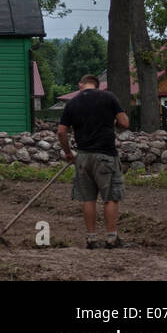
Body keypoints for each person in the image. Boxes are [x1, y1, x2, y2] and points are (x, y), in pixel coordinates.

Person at [57, 74, 130, 249]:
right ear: (97, 86)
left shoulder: (72, 103)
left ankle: (91, 239)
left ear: (80, 85)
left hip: (83, 157)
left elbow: (61, 131)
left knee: (88, 198)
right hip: (105, 155)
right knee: (110, 197)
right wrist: (113, 122)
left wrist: (68, 153)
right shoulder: (108, 97)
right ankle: (111, 238)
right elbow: (124, 123)